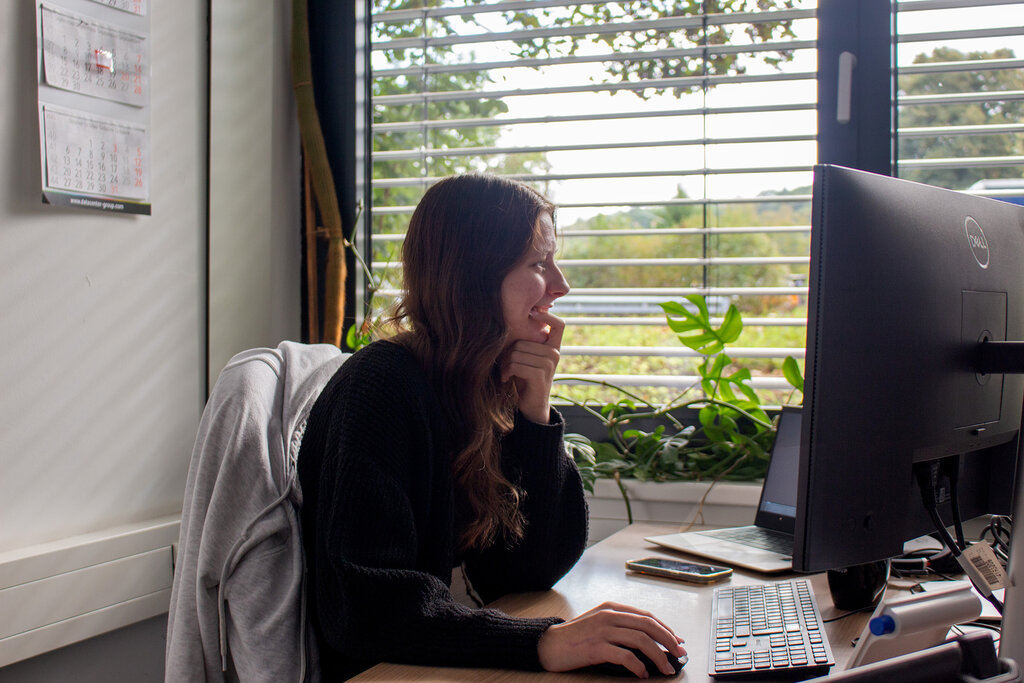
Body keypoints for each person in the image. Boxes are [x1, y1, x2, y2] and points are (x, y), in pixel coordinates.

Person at [297, 173, 686, 679]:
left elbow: (530, 570)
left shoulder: (483, 384)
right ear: (473, 275)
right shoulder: (380, 388)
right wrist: (543, 643)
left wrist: (535, 414)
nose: (561, 286)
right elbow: (370, 612)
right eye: (539, 263)